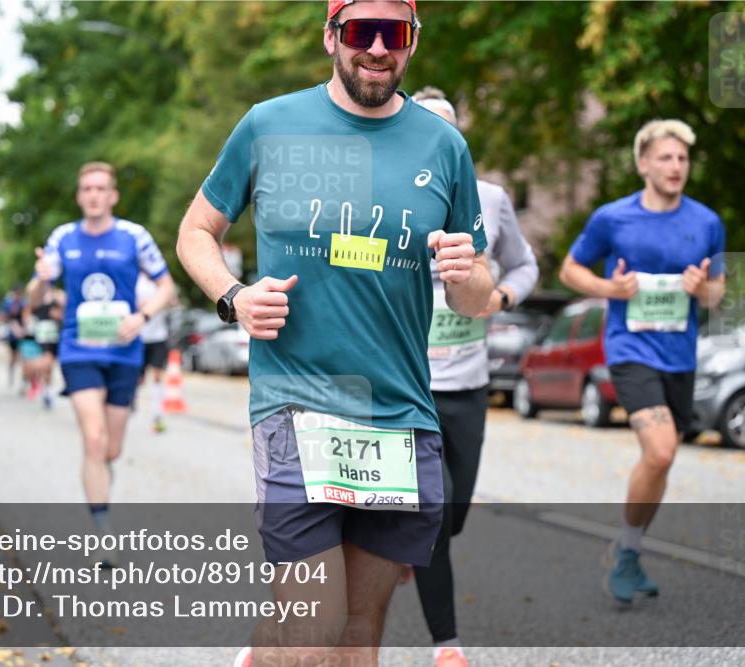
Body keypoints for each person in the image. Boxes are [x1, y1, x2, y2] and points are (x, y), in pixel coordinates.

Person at [176, 2, 493, 664]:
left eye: (393, 33)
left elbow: (476, 295)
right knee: (314, 633)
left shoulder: (443, 146)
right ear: (330, 37)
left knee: (357, 635)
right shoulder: (270, 125)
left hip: (399, 416)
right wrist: (233, 296)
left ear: (412, 42)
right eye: (359, 31)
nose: (376, 48)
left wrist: (466, 274)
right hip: (296, 406)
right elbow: (196, 231)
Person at [559, 119, 725, 604]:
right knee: (661, 451)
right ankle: (628, 553)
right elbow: (570, 269)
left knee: (661, 459)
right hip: (630, 349)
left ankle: (628, 551)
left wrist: (703, 288)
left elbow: (717, 293)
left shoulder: (707, 222)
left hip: (680, 355)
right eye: (666, 157)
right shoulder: (613, 218)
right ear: (643, 164)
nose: (676, 166)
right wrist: (609, 288)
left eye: (683, 158)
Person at [403, 87, 540, 667]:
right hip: (409, 388)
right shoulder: (391, 197)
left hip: (468, 386)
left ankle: (411, 544)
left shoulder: (489, 198)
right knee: (435, 511)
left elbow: (526, 264)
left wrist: (500, 296)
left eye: (448, 133)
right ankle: (447, 646)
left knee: (452, 517)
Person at [30, 161, 176, 566]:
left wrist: (143, 317)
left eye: (101, 188)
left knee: (111, 448)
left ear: (113, 196)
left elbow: (166, 286)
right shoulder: (62, 238)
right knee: (93, 441)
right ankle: (102, 534)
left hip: (125, 352)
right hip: (78, 350)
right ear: (79, 196)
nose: (94, 195)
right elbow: (35, 297)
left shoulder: (134, 237)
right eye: (87, 189)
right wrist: (41, 278)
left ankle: (101, 488)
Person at [135, 272, 173, 433]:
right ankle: (130, 406)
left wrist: (161, 302)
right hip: (140, 336)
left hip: (158, 336)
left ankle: (157, 414)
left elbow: (173, 301)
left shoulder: (161, 281)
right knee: (139, 379)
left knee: (158, 376)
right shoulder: (136, 280)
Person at [21, 283, 65, 409]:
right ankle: (35, 381)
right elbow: (26, 318)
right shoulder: (33, 302)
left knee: (49, 366)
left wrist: (57, 312)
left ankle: (47, 391)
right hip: (39, 337)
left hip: (53, 336)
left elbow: (61, 313)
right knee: (42, 363)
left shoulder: (56, 298)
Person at [1, 284, 27, 389]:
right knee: (13, 356)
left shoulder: (23, 303)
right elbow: (4, 316)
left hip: (22, 332)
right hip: (12, 333)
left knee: (24, 356)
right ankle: (11, 372)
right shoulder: (8, 303)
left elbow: (26, 317)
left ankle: (24, 379)